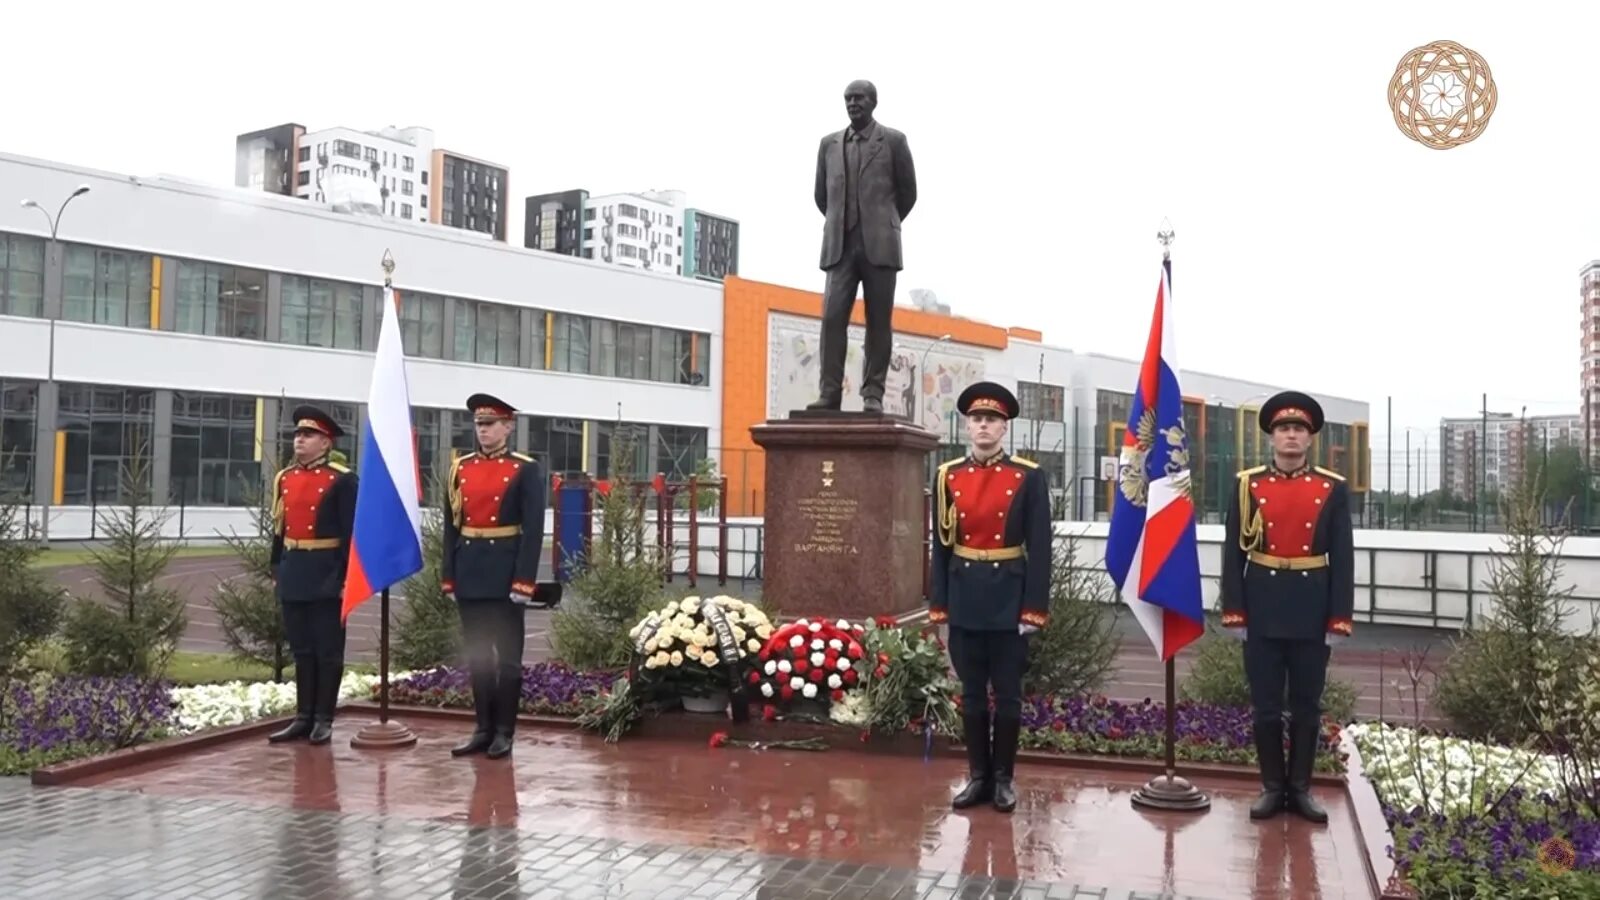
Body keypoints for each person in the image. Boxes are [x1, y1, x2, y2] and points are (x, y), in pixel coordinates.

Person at [1221, 390, 1354, 823]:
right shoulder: (1247, 485)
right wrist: (1235, 610)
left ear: (1310, 438)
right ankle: (1271, 787)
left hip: (1311, 607)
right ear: (1272, 437)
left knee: (1307, 705)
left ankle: (1300, 789)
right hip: (1261, 604)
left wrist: (1339, 616)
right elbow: (1232, 553)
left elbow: (1343, 556)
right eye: (1283, 429)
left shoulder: (1331, 488)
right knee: (1264, 705)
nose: (1291, 436)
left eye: (1298, 429)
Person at [927, 382, 1053, 813]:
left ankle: (1003, 779)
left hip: (1009, 598)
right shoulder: (948, 476)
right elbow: (940, 546)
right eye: (978, 419)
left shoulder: (1029, 476)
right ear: (967, 426)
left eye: (993, 420)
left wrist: (1034, 609)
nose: (984, 426)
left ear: (1004, 428)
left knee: (1009, 694)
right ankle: (977, 775)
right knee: (972, 694)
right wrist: (940, 604)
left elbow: (1041, 548)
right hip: (965, 596)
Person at [441, 393, 547, 760]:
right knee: (478, 657)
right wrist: (448, 576)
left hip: (505, 576)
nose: (483, 431)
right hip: (470, 571)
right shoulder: (461, 468)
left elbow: (533, 530)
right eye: (479, 425)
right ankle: (482, 729)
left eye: (490, 424)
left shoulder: (524, 469)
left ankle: (504, 731)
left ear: (508, 427)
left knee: (508, 660)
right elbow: (451, 527)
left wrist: (524, 582)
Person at [808, 78, 918, 413]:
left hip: (880, 245)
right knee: (832, 319)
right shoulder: (829, 144)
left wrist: (884, 222)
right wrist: (843, 221)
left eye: (858, 98)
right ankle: (829, 393)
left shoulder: (894, 141)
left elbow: (908, 193)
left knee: (878, 321)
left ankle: (873, 393)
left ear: (873, 102)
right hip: (840, 245)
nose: (852, 104)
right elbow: (820, 196)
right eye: (848, 99)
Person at [267, 405, 358, 745]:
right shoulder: (285, 478)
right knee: (302, 650)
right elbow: (279, 527)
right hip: (295, 572)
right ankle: (303, 717)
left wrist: (347, 577)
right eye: (297, 435)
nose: (299, 440)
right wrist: (276, 566)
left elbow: (351, 534)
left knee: (328, 651)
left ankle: (324, 718)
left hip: (327, 573)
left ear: (326, 442)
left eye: (308, 435)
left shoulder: (342, 480)